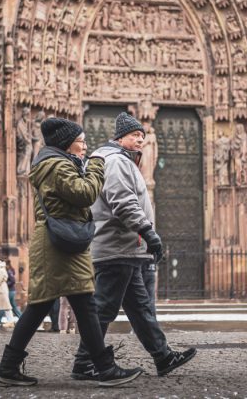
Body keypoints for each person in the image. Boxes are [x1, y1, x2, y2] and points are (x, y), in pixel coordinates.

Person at [0, 117, 142, 387]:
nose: (85, 146)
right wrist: (97, 167)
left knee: (79, 304)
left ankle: (11, 366)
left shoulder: (59, 163)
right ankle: (103, 367)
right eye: (80, 141)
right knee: (55, 304)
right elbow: (84, 194)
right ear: (66, 143)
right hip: (58, 244)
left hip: (62, 242)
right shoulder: (56, 165)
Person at [72, 112, 197, 380]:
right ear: (120, 138)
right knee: (105, 307)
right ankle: (84, 363)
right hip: (116, 248)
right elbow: (122, 201)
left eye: (142, 136)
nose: (140, 140)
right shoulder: (115, 161)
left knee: (139, 308)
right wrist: (147, 232)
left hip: (126, 248)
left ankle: (162, 356)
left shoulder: (122, 160)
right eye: (134, 136)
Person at [0, 258, 22, 325]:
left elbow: (13, 281)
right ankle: (22, 319)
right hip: (11, 291)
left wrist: (5, 285)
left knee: (4, 305)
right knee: (13, 306)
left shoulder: (9, 271)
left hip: (10, 291)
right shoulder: (8, 270)